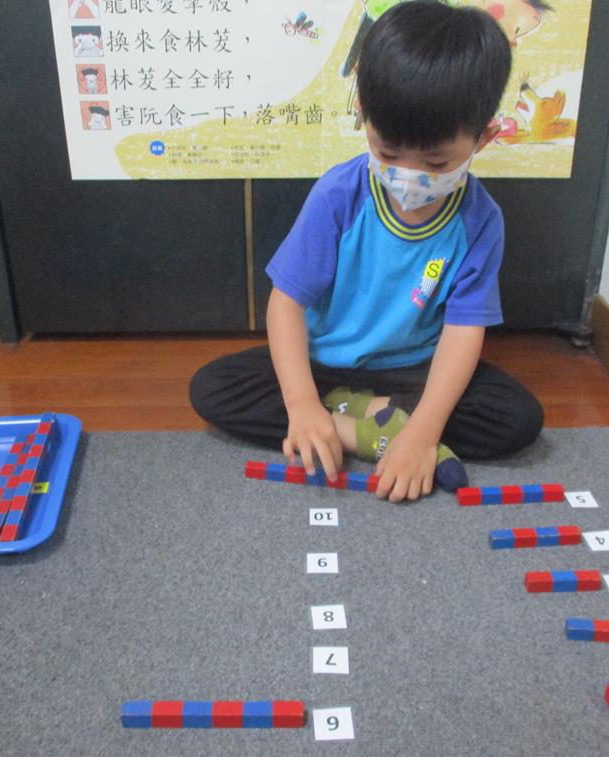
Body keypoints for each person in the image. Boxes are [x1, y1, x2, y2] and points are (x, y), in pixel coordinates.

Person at [190, 0, 543, 502]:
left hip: (413, 374)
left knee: (517, 417)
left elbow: (464, 331)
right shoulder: (340, 194)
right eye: (388, 152)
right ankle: (365, 427)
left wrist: (424, 428)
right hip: (325, 364)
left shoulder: (480, 220)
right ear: (363, 114)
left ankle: (365, 423)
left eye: (436, 161)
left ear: (484, 137)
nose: (409, 175)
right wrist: (302, 404)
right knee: (213, 387)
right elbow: (286, 303)